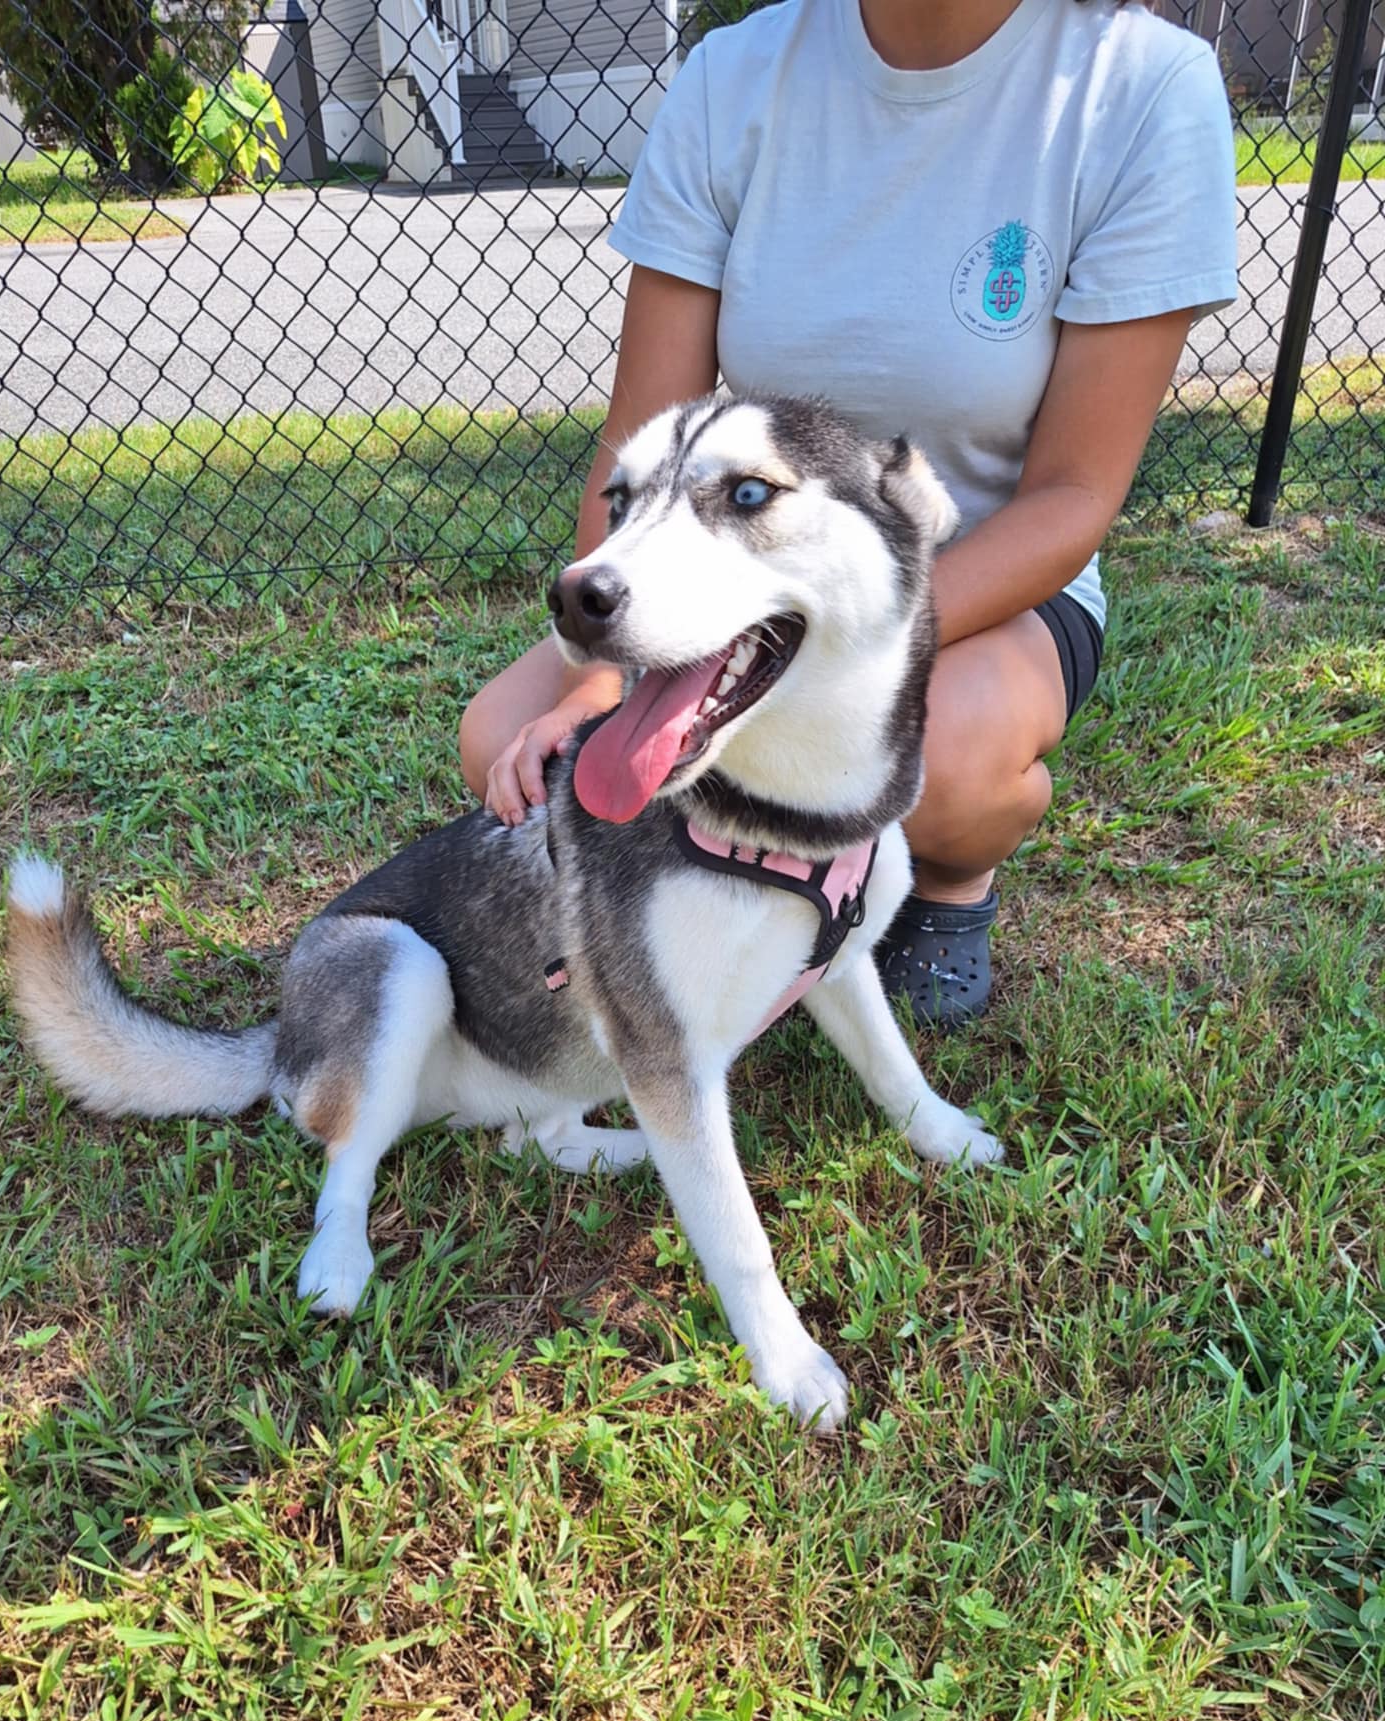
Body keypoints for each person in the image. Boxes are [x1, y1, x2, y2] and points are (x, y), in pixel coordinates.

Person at [459, 0, 1239, 1024]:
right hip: (746, 568)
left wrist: (832, 648)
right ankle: (752, 881)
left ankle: (953, 878)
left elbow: (1072, 498)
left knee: (937, 771)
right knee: (505, 740)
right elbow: (641, 438)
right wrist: (616, 675)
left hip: (986, 584)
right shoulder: (734, 76)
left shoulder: (1142, 88)